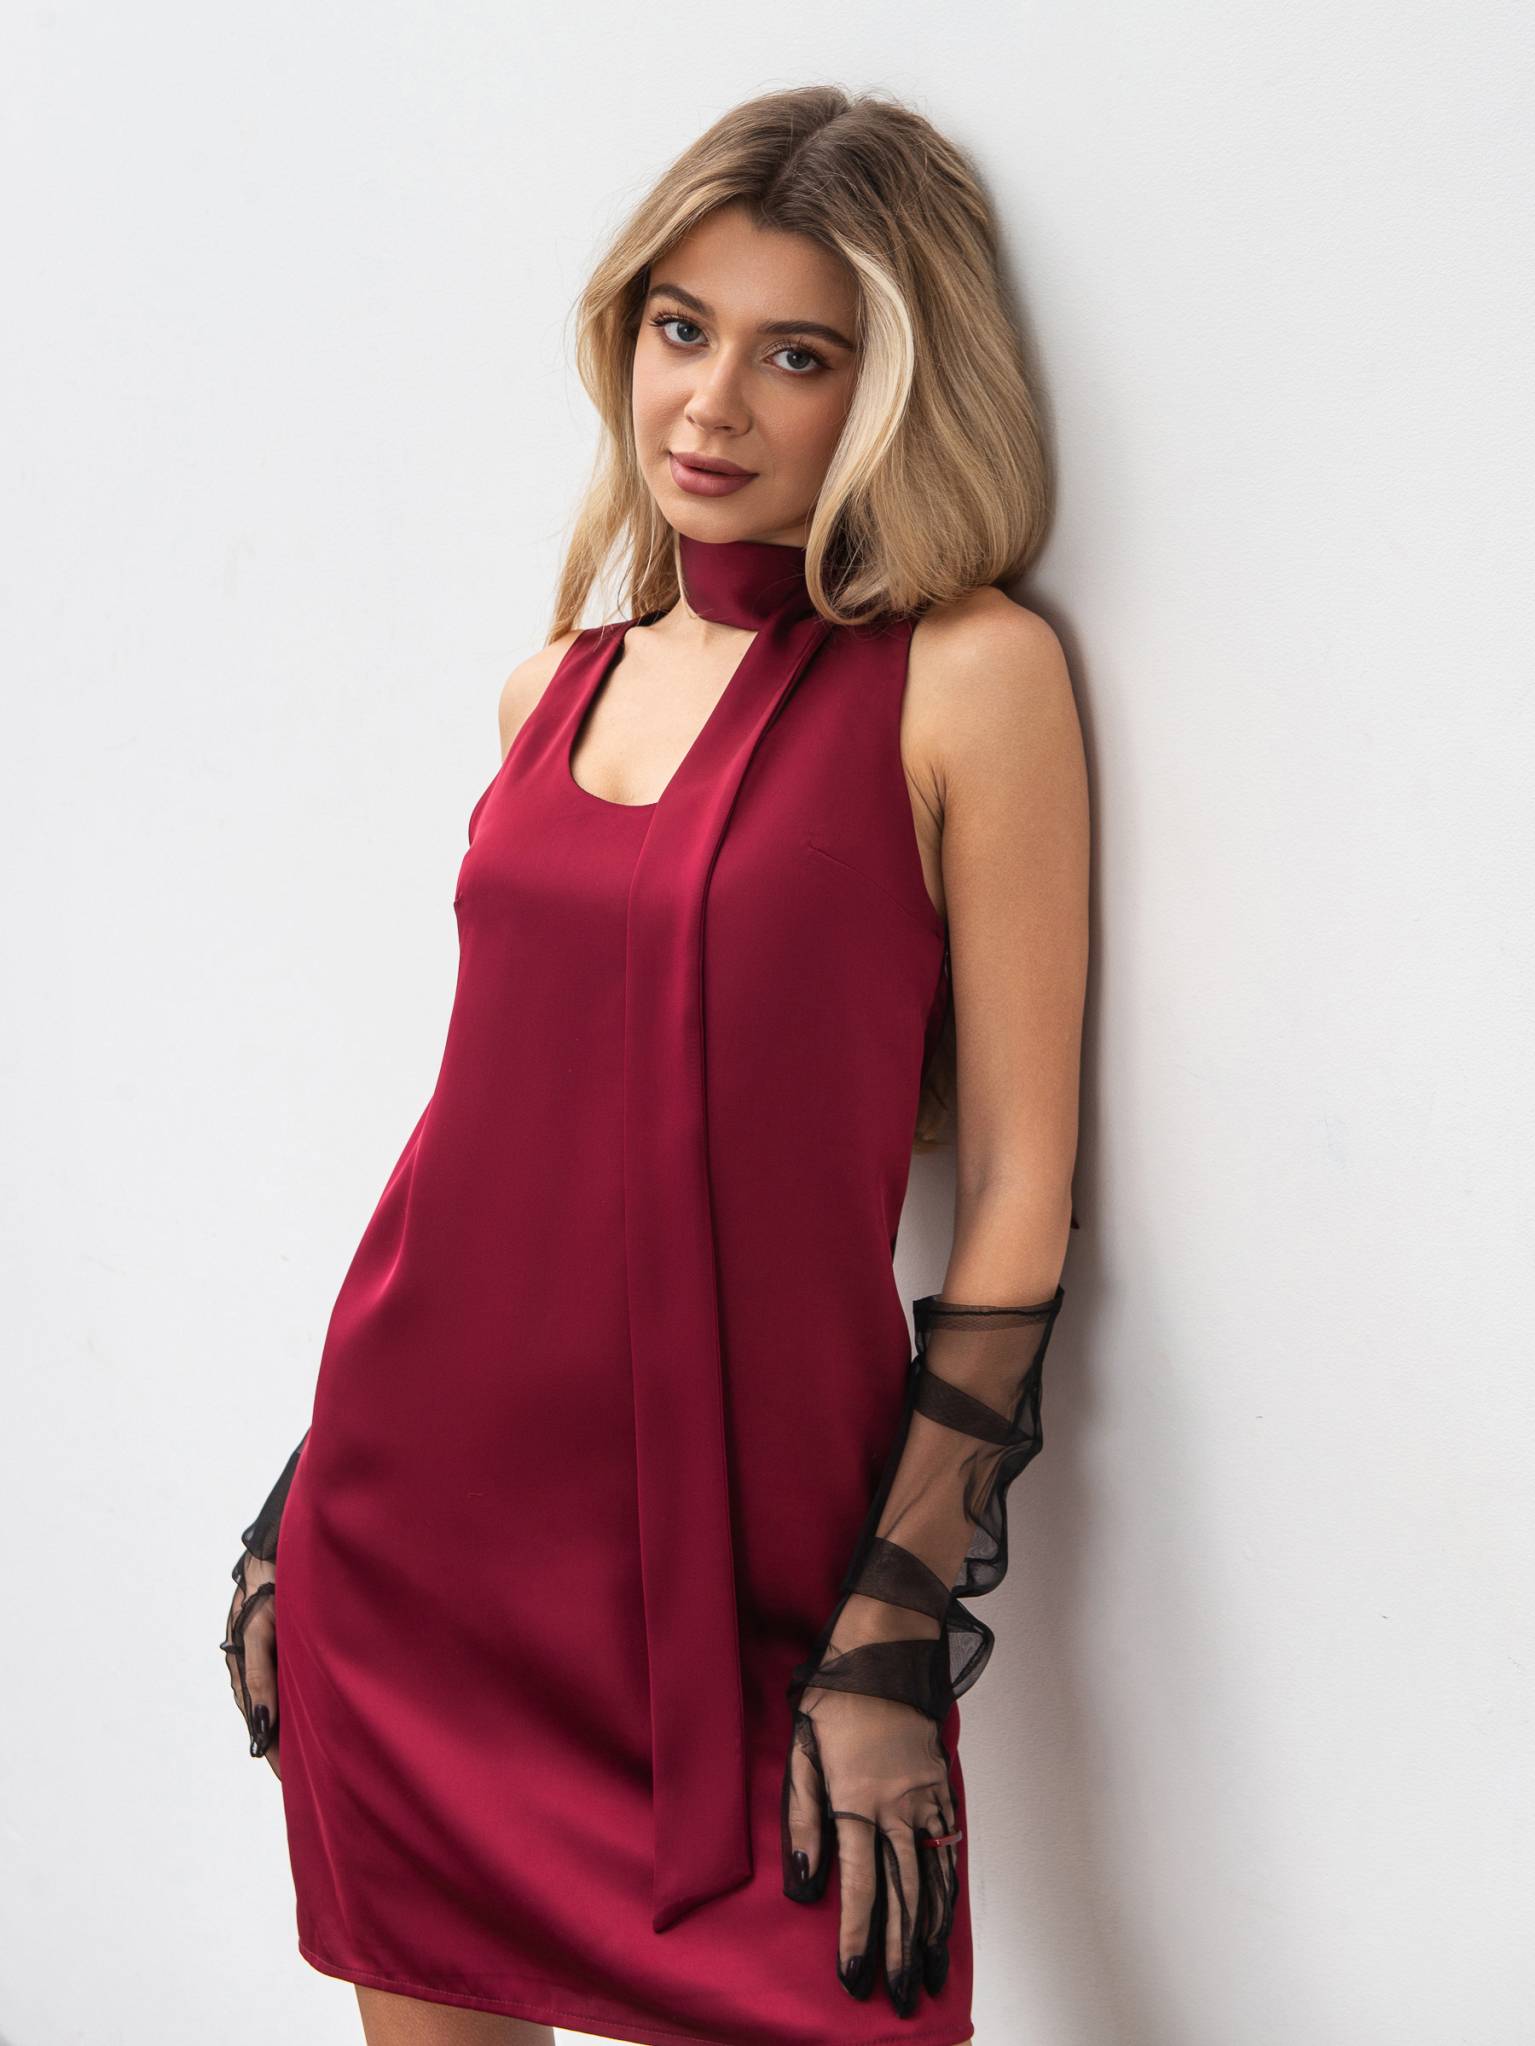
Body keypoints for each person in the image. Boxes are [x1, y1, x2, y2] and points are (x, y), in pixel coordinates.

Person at [220, 82, 1088, 2046]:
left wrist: (893, 1627)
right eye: (681, 328)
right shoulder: (551, 688)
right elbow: (488, 1126)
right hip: (415, 1558)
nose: (708, 404)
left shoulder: (967, 678)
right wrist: (302, 1491)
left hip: (764, 1593)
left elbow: (1025, 1182)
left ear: (894, 385)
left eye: (798, 354)